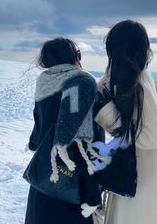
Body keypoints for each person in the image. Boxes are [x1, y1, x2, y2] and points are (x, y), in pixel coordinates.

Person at [93, 20, 157, 224]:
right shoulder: (120, 77)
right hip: (129, 174)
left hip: (142, 180)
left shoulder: (139, 84)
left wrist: (106, 113)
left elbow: (150, 138)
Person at [24, 37, 105, 224]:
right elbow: (85, 144)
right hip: (72, 185)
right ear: (74, 57)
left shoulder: (44, 82)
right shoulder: (81, 82)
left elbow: (37, 138)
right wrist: (93, 195)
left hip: (44, 179)